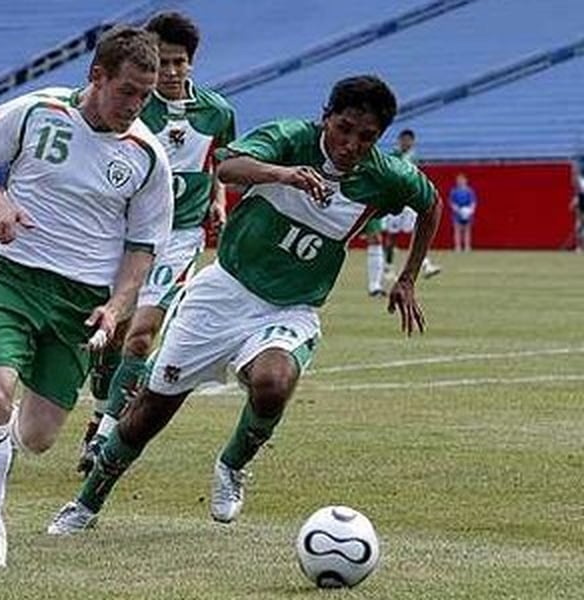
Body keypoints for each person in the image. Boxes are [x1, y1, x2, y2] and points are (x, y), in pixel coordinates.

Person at [47, 74, 443, 534]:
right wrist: (285, 174)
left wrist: (409, 276)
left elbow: (429, 203)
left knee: (273, 382)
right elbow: (227, 166)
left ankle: (232, 465)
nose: (351, 144)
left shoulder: (385, 175)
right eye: (344, 128)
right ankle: (86, 504)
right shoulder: (291, 137)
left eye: (366, 137)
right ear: (326, 117)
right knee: (149, 412)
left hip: (290, 308)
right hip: (224, 292)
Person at [0, 27, 173, 568]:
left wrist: (118, 308)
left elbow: (142, 249)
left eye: (146, 95)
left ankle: (8, 374)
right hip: (11, 276)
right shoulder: (33, 112)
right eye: (128, 91)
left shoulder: (147, 156)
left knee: (38, 438)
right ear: (96, 76)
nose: (136, 105)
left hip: (81, 300)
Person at [77, 11, 237, 475]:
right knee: (113, 336)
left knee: (143, 335)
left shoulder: (217, 112)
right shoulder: (131, 102)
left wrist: (217, 199)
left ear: (192, 63)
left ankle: (104, 438)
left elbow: (219, 162)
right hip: (124, 236)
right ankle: (100, 407)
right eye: (163, 62)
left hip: (180, 236)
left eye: (179, 63)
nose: (170, 72)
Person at [383, 129, 441, 278]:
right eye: (405, 140)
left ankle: (426, 265)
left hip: (410, 202)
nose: (408, 143)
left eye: (410, 141)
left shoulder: (414, 157)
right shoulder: (392, 157)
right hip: (395, 201)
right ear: (400, 141)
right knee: (392, 235)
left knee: (417, 231)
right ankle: (388, 267)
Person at [449, 172, 477, 252]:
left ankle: (467, 247)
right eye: (459, 180)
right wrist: (458, 210)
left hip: (467, 213)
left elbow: (473, 202)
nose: (460, 181)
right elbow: (452, 202)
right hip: (457, 214)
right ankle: (458, 247)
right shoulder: (454, 191)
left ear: (465, 181)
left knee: (467, 230)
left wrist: (469, 210)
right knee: (457, 230)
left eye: (462, 180)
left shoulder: (469, 191)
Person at [570, 159, 584, 253]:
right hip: (581, 202)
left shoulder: (580, 180)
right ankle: (579, 247)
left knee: (580, 226)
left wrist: (575, 201)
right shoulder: (577, 180)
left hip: (582, 201)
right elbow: (578, 193)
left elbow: (580, 193)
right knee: (578, 225)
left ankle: (580, 246)